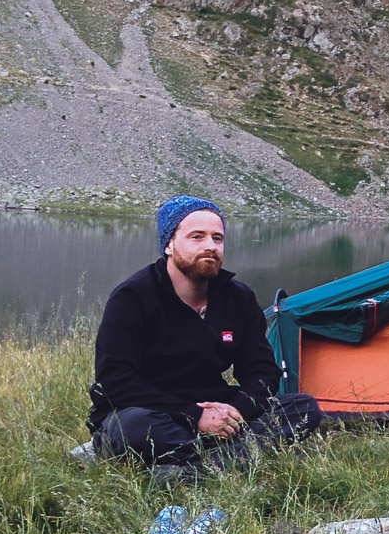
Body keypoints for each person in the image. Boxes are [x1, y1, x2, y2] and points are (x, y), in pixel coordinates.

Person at [87, 196, 321, 479]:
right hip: (153, 411)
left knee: (304, 408)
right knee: (135, 428)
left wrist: (235, 412)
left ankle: (194, 470)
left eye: (217, 238)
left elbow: (263, 372)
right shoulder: (133, 298)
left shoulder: (238, 298)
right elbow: (115, 381)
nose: (210, 246)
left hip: (216, 407)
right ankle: (234, 457)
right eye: (197, 237)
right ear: (168, 244)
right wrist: (194, 416)